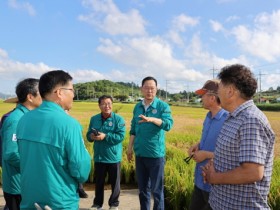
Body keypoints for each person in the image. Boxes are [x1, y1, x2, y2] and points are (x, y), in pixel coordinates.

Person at [202, 64, 275, 209]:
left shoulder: (250, 120)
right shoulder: (233, 117)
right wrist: (213, 166)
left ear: (230, 91)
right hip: (221, 203)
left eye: (220, 88)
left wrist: (215, 177)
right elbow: (231, 154)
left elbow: (252, 172)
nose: (217, 93)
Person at [16, 70, 91, 210]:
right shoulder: (69, 124)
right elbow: (81, 170)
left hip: (29, 199)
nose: (73, 95)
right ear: (59, 92)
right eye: (71, 90)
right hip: (59, 202)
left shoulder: (24, 120)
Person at [127, 76, 174, 210]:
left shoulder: (162, 106)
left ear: (156, 89)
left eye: (152, 88)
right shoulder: (137, 107)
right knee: (142, 190)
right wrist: (130, 148)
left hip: (155, 155)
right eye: (146, 88)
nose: (149, 91)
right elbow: (133, 129)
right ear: (141, 89)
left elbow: (168, 125)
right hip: (140, 154)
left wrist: (152, 119)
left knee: (157, 191)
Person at [1, 79, 42, 210]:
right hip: (17, 185)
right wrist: (33, 170)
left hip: (27, 182)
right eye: (41, 93)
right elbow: (11, 153)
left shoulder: (29, 117)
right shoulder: (15, 120)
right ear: (30, 97)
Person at [188, 79, 228, 210]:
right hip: (200, 179)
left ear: (212, 98)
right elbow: (209, 139)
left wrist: (205, 155)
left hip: (215, 183)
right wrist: (198, 145)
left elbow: (231, 154)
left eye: (203, 95)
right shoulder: (208, 116)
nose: (201, 98)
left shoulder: (228, 119)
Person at [86, 95, 126, 210]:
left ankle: (114, 204)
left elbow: (120, 136)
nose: (106, 106)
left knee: (115, 183)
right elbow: (88, 134)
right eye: (103, 104)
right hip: (99, 157)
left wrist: (105, 136)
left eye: (109, 103)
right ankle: (97, 204)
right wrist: (92, 136)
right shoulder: (94, 119)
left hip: (113, 157)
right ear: (99, 105)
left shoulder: (118, 120)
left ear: (112, 105)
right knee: (99, 183)